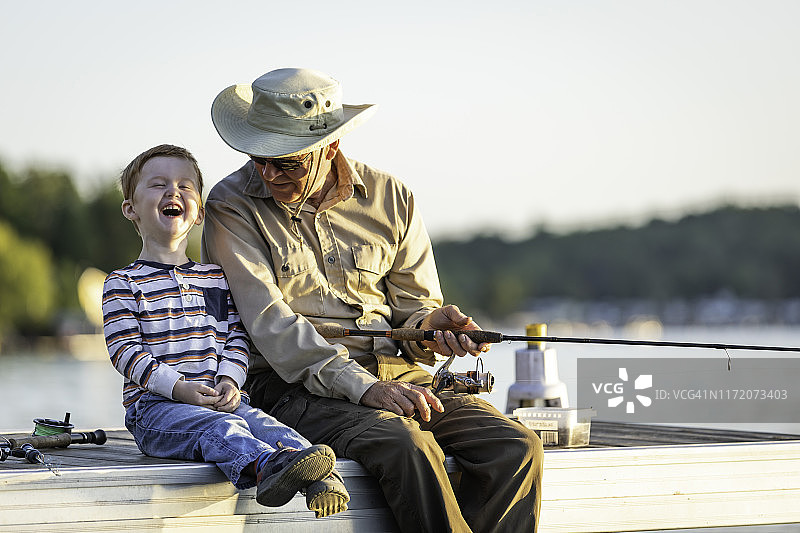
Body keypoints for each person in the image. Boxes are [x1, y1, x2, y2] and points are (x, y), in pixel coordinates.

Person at [202, 68, 543, 532]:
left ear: (331, 147)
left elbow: (415, 312)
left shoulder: (393, 197)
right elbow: (272, 327)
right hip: (291, 389)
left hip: (400, 377)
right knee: (406, 444)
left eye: (287, 162)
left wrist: (431, 329)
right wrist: (365, 389)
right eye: (259, 156)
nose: (268, 172)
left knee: (516, 446)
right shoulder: (229, 205)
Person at [101, 144, 349, 518]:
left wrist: (230, 381)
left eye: (185, 186)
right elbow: (126, 353)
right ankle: (267, 470)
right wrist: (179, 388)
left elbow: (235, 338)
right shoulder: (123, 283)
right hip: (156, 410)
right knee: (219, 428)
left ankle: (320, 479)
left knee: (264, 423)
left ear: (200, 212)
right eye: (158, 185)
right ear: (130, 209)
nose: (173, 193)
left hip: (222, 396)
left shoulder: (214, 278)